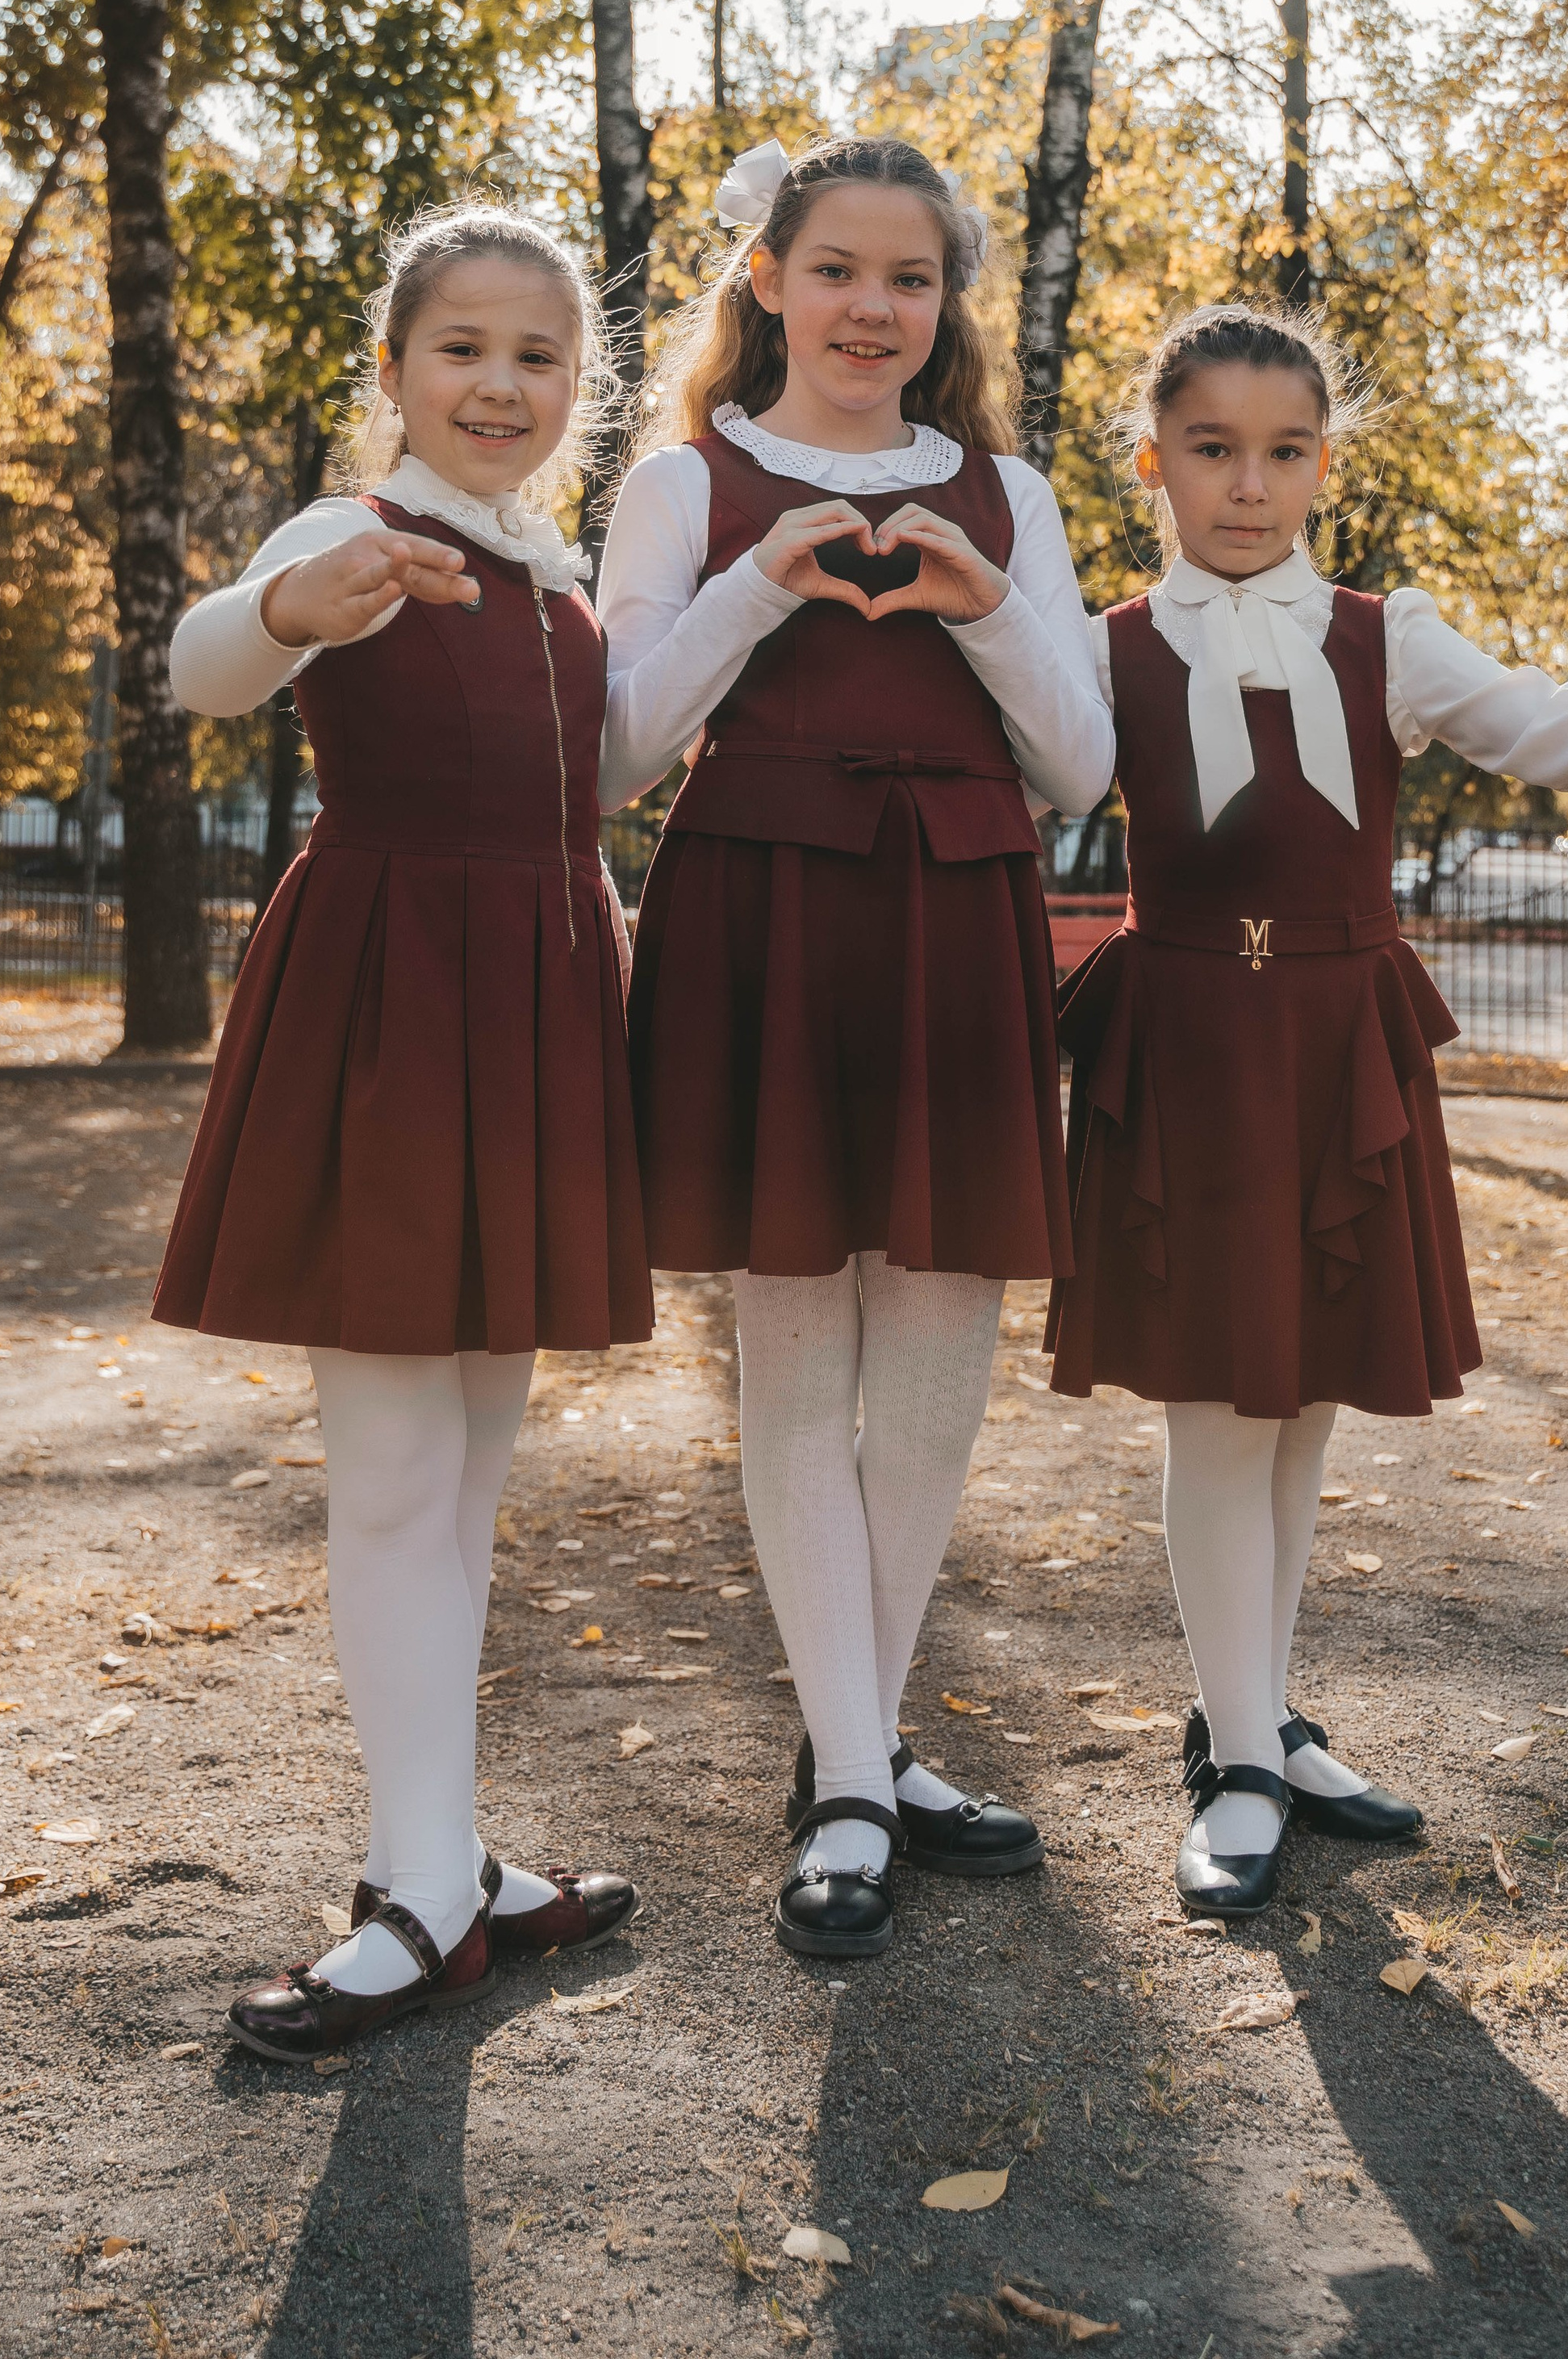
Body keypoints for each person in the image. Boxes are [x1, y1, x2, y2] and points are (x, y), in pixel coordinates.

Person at [1047, 301, 1568, 1918]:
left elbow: (1541, 717)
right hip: (1188, 1046)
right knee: (1218, 1403)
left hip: (1334, 1042)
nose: (1248, 484)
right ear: (1152, 462)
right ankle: (1236, 1758)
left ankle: (1257, 1715)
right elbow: (1005, 769)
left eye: (1284, 451)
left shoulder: (1385, 637)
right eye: (1212, 449)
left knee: (1298, 1397)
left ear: (1322, 465)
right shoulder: (1102, 648)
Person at [599, 132, 1114, 1958]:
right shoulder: (684, 482)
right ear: (766, 279)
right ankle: (852, 1782)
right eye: (835, 269)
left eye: (910, 276)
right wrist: (759, 583)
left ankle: (855, 1751)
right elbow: (613, 752)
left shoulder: (1007, 493)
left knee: (937, 1374)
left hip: (954, 917)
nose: (872, 307)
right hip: (770, 916)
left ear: (945, 301)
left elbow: (1080, 764)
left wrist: (986, 608)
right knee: (800, 1365)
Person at [155, 204, 652, 2059]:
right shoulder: (348, 531)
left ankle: (437, 1858)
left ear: (577, 385)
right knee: (387, 1476)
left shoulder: (559, 584)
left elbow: (591, 786)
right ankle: (424, 1892)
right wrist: (296, 604)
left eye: (537, 356)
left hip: (531, 1020)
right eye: (462, 349)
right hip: (381, 1013)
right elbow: (205, 665)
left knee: (465, 1478)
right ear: (394, 368)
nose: (499, 384)